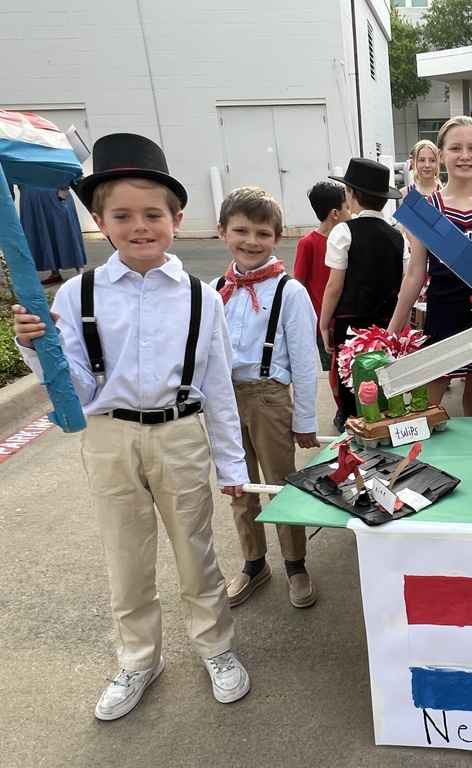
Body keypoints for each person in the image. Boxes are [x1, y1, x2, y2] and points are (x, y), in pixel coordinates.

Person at [12, 133, 251, 719]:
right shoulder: (76, 294)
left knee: (196, 553)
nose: (139, 226)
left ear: (177, 218)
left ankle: (216, 647)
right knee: (126, 554)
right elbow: (75, 383)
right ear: (99, 220)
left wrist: (232, 463)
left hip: (181, 434)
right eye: (122, 215)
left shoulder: (203, 298)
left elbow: (217, 385)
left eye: (153, 214)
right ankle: (139, 659)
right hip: (110, 436)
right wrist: (34, 347)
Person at [215, 187, 320, 610]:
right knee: (237, 485)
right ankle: (254, 562)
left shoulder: (288, 292)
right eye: (241, 230)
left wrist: (306, 420)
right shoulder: (216, 288)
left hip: (269, 398)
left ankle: (296, 563)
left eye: (262, 233)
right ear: (223, 232)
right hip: (223, 398)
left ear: (277, 238)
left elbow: (305, 360)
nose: (251, 241)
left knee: (280, 484)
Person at [387, 115, 472, 416]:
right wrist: (392, 331)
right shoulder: (426, 209)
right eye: (455, 149)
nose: (465, 156)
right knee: (427, 409)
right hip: (441, 318)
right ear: (441, 155)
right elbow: (415, 273)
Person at [321, 158, 406, 425]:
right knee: (383, 386)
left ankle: (353, 444)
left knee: (353, 387)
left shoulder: (343, 232)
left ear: (351, 193)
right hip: (386, 325)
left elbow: (334, 285)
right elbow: (403, 283)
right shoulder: (397, 236)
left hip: (352, 322)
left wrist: (323, 323)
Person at [294, 180, 350, 377]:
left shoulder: (348, 240)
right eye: (347, 208)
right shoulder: (307, 244)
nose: (351, 214)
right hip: (323, 324)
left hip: (346, 319)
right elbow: (298, 284)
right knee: (334, 372)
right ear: (335, 213)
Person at [18, 184, 87, 285]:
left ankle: (80, 271)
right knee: (41, 231)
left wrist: (63, 188)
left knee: (65, 229)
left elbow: (67, 168)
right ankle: (55, 272)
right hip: (30, 195)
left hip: (53, 192)